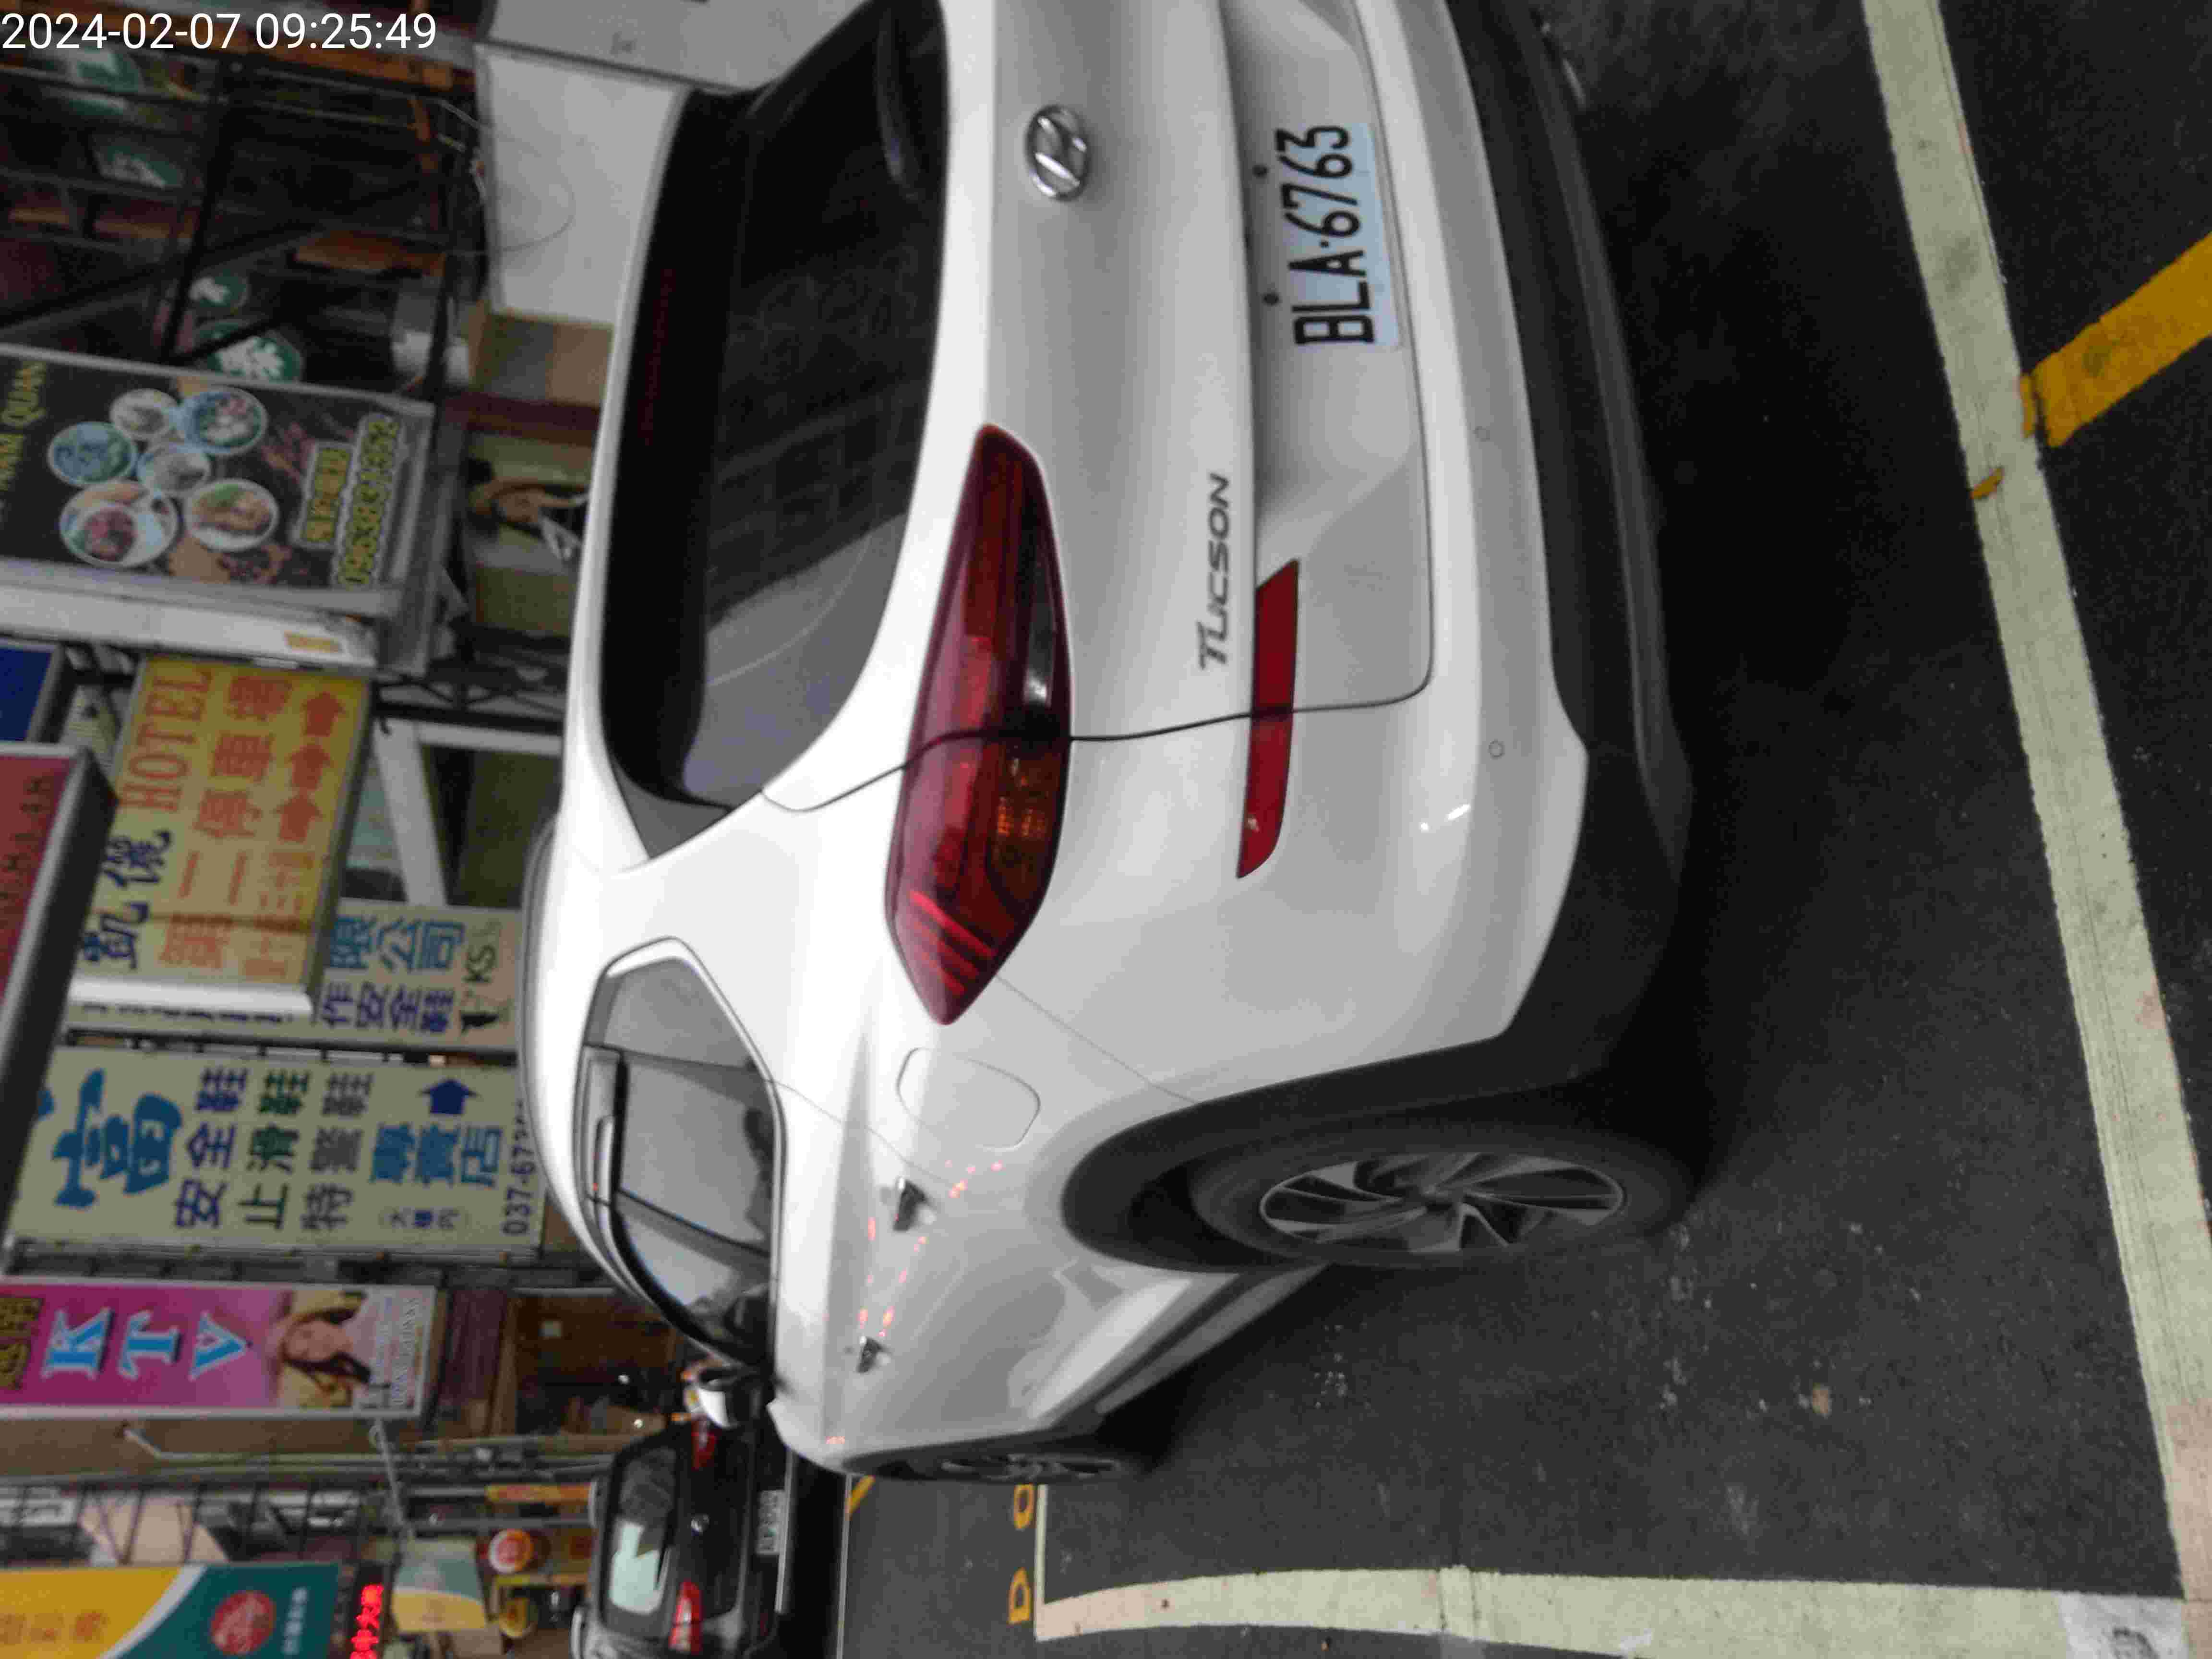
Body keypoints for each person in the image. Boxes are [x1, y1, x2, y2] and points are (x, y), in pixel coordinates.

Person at [267, 1290, 377, 1408]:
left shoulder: (375, 1307)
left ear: (315, 1320)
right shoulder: (363, 1391)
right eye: (306, 1353)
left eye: (308, 1334)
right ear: (312, 1363)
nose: (317, 1345)